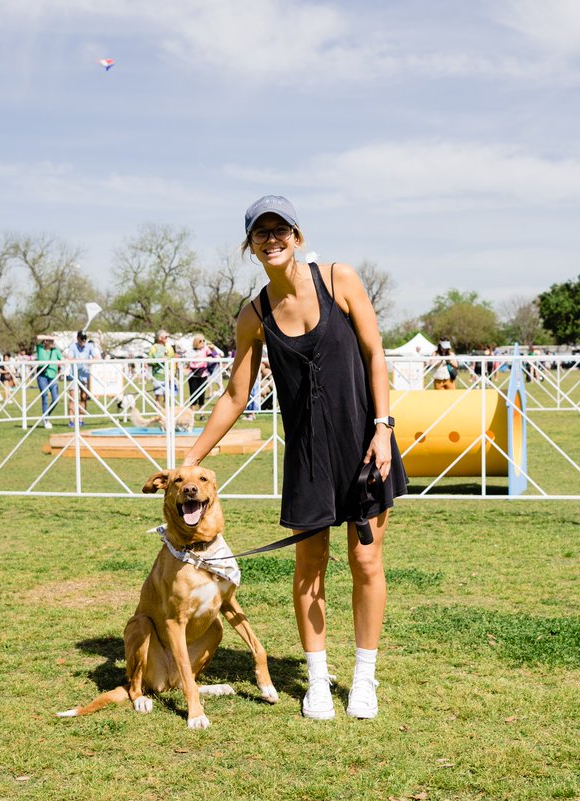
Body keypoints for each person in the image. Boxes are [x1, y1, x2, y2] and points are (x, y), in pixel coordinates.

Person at [182, 195, 407, 721]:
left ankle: (364, 679)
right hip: (308, 457)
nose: (272, 239)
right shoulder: (254, 314)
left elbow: (375, 353)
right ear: (249, 246)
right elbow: (236, 396)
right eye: (261, 233)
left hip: (365, 445)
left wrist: (383, 428)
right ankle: (317, 682)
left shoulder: (339, 279)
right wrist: (188, 461)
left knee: (366, 560)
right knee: (309, 568)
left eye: (280, 229)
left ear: (297, 235)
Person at [65, 331, 100, 425]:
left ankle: (81, 420)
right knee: (72, 397)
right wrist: (79, 360)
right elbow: (69, 358)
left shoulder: (89, 346)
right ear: (78, 338)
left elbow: (97, 357)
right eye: (82, 338)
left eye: (85, 338)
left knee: (83, 397)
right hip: (74, 375)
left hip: (85, 375)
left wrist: (90, 361)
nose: (84, 340)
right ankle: (71, 421)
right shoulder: (73, 346)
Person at [35, 335, 63, 427]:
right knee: (45, 396)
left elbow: (62, 359)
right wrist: (47, 337)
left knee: (56, 398)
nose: (52, 343)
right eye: (50, 341)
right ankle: (46, 419)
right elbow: (37, 338)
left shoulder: (55, 351)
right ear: (46, 341)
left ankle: (46, 415)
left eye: (53, 341)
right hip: (42, 376)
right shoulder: (40, 349)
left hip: (53, 376)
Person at [185, 334, 215, 407]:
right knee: (193, 393)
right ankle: (193, 413)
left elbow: (211, 357)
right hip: (192, 374)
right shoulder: (190, 350)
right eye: (200, 341)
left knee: (202, 394)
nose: (202, 342)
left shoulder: (206, 349)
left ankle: (201, 414)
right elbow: (186, 361)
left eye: (203, 341)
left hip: (203, 373)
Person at [146, 330, 175, 404]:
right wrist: (159, 361)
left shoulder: (170, 348)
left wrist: (172, 374)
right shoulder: (153, 348)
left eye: (167, 336)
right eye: (165, 337)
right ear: (159, 338)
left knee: (168, 396)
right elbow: (150, 361)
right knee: (158, 395)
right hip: (158, 375)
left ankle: (166, 413)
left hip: (168, 375)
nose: (167, 338)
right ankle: (158, 413)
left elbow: (172, 361)